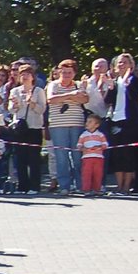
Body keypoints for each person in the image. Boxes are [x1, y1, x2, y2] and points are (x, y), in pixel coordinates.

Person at [104, 52, 138, 194]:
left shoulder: (135, 81)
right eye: (120, 63)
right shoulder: (115, 82)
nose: (122, 65)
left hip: (129, 122)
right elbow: (108, 101)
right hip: (115, 120)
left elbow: (135, 98)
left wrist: (128, 84)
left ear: (131, 65)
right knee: (117, 155)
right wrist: (110, 88)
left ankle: (127, 186)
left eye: (125, 62)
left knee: (128, 154)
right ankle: (118, 185)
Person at [45, 59, 89, 195]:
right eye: (63, 72)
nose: (66, 75)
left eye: (69, 72)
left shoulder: (78, 85)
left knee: (77, 155)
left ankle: (81, 184)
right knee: (61, 156)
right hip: (58, 125)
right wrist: (71, 96)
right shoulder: (53, 84)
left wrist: (64, 98)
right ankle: (64, 186)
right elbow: (51, 99)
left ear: (74, 73)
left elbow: (84, 99)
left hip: (77, 123)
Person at [7, 65, 47, 194]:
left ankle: (34, 186)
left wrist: (32, 103)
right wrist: (16, 105)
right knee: (20, 158)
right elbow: (11, 109)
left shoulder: (39, 91)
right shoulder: (15, 91)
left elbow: (42, 110)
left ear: (33, 77)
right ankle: (22, 186)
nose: (25, 77)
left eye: (27, 74)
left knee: (34, 159)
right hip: (20, 128)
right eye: (22, 74)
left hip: (34, 128)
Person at [78, 115, 108, 196]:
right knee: (86, 174)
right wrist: (82, 148)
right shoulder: (83, 135)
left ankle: (97, 189)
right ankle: (86, 189)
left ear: (97, 125)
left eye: (90, 122)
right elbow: (79, 145)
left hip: (98, 158)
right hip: (87, 158)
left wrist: (99, 147)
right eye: (87, 121)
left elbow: (105, 144)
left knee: (98, 174)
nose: (87, 123)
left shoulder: (100, 135)